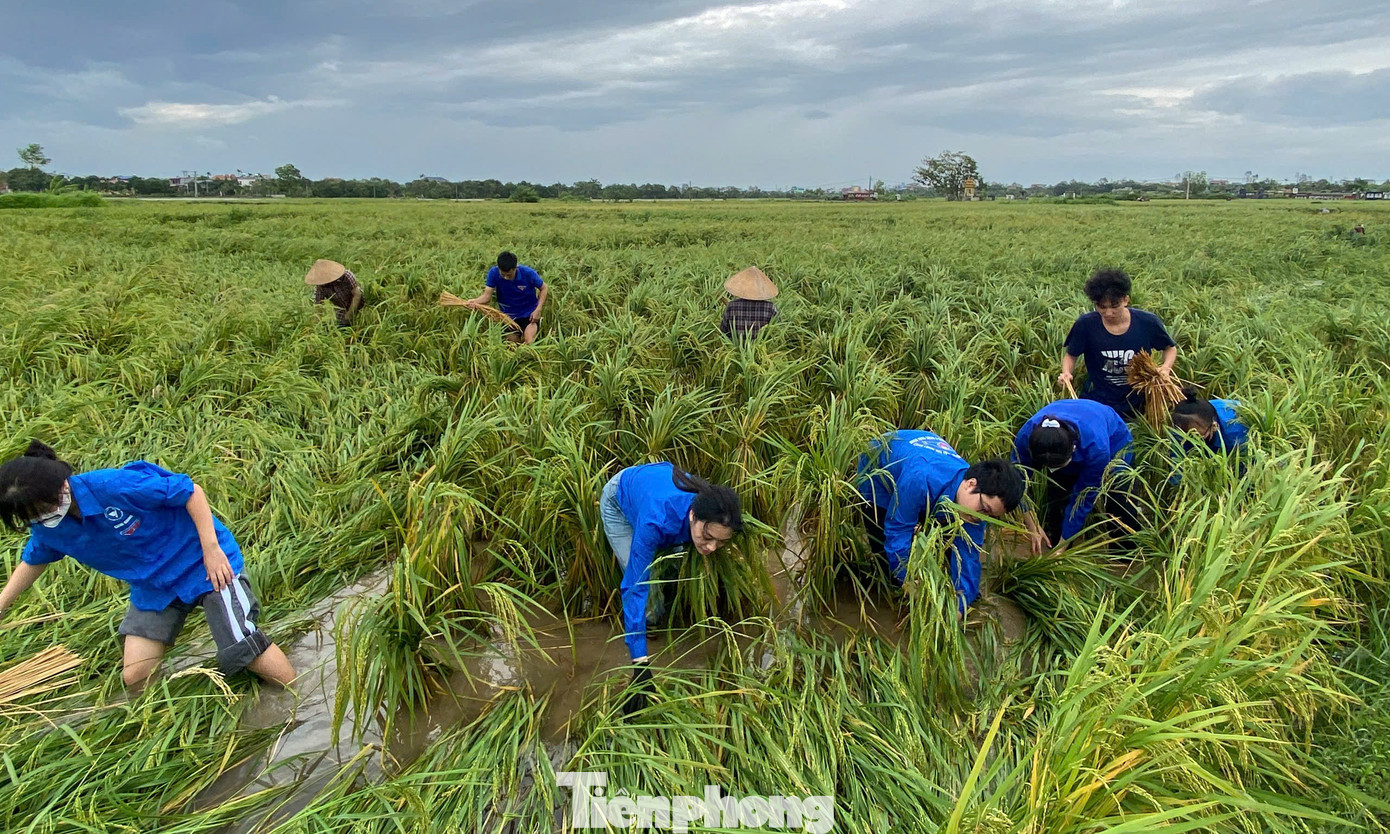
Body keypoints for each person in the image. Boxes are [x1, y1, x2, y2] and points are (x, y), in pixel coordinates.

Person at [0, 441, 296, 690]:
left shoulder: (112, 486)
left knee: (243, 646)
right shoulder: (47, 527)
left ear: (60, 486)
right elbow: (35, 559)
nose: (43, 517)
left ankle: (296, 702)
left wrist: (212, 550)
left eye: (44, 507)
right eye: (33, 516)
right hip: (154, 587)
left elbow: (191, 491)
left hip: (204, 566)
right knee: (136, 675)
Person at [599, 462, 742, 714]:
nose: (710, 548)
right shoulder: (656, 521)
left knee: (675, 568)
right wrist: (640, 663)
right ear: (692, 516)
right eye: (707, 538)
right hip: (620, 499)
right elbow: (635, 587)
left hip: (656, 490)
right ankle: (652, 624)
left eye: (720, 542)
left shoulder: (715, 507)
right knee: (650, 585)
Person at [855, 430, 1026, 614]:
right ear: (971, 484)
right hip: (878, 466)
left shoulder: (977, 505)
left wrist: (960, 605)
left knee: (946, 543)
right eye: (985, 509)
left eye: (991, 516)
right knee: (886, 551)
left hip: (922, 464)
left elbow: (968, 554)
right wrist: (907, 579)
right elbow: (897, 529)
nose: (982, 517)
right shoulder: (921, 478)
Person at [1013, 400, 1136, 554]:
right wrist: (1032, 526)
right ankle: (1054, 540)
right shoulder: (1026, 437)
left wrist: (1061, 550)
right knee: (1058, 495)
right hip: (1065, 441)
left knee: (1119, 499)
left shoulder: (1097, 448)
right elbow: (1017, 482)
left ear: (1073, 448)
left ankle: (1124, 555)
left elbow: (1083, 498)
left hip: (1114, 441)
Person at [1059, 268, 1177, 419]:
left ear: (1125, 300)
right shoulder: (1086, 324)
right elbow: (1071, 355)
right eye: (1102, 306)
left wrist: (1165, 368)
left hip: (1139, 402)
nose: (1108, 313)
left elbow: (1170, 348)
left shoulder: (1147, 322)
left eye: (1114, 306)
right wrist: (1067, 373)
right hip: (1098, 400)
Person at [465, 251, 547, 345]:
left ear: (515, 268)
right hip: (508, 316)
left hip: (529, 315)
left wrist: (538, 309)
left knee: (529, 341)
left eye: (509, 275)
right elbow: (487, 296)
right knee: (513, 345)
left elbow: (544, 288)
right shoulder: (493, 273)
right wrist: (474, 302)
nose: (505, 278)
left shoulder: (528, 273)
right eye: (503, 274)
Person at [719, 266, 779, 340]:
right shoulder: (770, 308)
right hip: (763, 348)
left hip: (735, 348)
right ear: (762, 288)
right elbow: (777, 331)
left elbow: (723, 331)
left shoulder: (731, 306)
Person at [305, 259, 363, 327]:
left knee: (360, 325)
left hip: (358, 306)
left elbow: (357, 294)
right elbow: (318, 308)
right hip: (341, 310)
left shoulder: (346, 276)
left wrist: (349, 315)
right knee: (343, 329)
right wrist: (314, 326)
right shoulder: (320, 287)